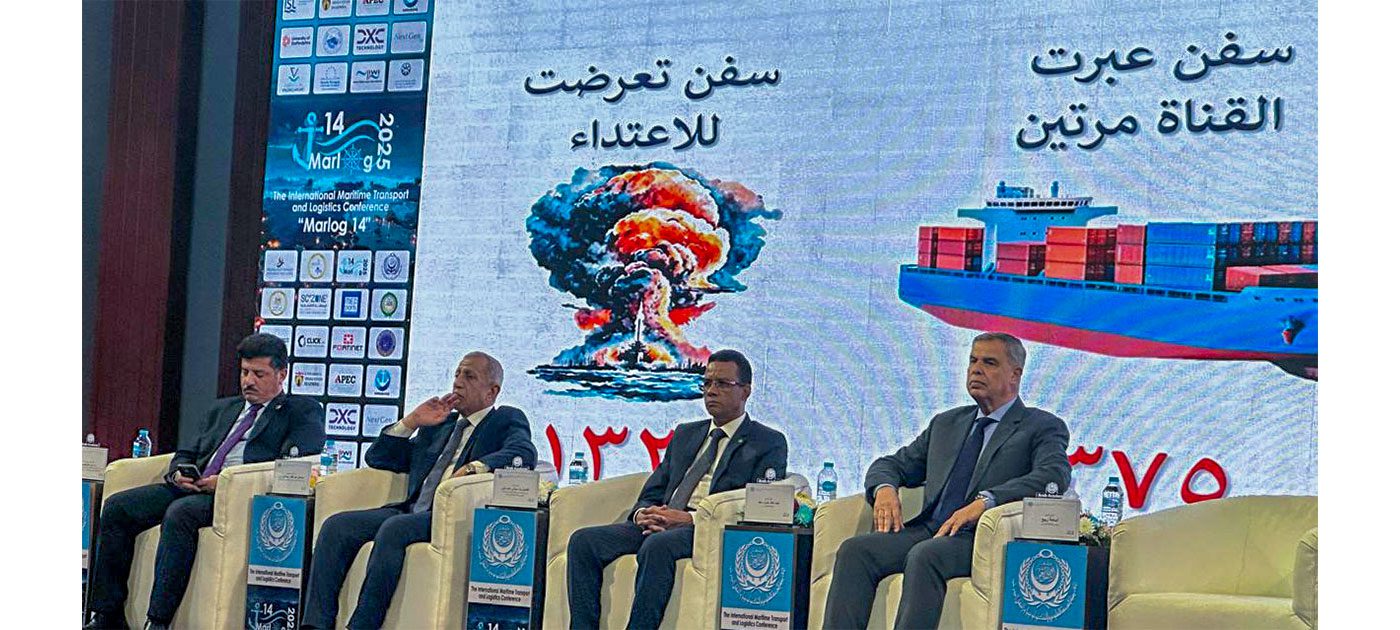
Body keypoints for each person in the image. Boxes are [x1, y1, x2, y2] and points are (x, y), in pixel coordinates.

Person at [824, 332, 1071, 629]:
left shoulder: (1041, 426)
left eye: (989, 363)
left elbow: (1053, 475)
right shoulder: (947, 423)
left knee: (925, 555)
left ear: (1015, 375)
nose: (976, 369)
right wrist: (885, 489)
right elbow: (891, 464)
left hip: (979, 538)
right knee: (855, 551)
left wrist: (986, 501)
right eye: (973, 361)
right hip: (930, 529)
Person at [85, 333, 325, 630]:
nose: (248, 381)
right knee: (118, 507)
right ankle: (107, 615)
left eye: (259, 374)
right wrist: (179, 473)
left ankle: (158, 620)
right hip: (194, 487)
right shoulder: (222, 409)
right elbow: (186, 452)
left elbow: (295, 464)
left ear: (282, 374)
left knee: (180, 513)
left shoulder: (300, 411)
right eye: (244, 372)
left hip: (236, 495)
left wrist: (223, 482)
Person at [301, 351, 537, 630]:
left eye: (469, 376)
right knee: (337, 526)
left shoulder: (504, 419)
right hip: (411, 509)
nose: (458, 382)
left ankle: (362, 625)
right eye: (457, 374)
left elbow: (523, 453)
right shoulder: (439, 426)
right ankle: (315, 625)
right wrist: (411, 421)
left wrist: (473, 469)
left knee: (395, 529)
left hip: (451, 518)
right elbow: (379, 458)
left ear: (492, 391)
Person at [566, 349, 789, 630]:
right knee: (583, 541)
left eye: (722, 384)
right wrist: (643, 514)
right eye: (707, 383)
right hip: (662, 520)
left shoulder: (767, 441)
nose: (711, 391)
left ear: (745, 391)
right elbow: (655, 488)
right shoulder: (686, 433)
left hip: (705, 529)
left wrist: (689, 519)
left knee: (657, 546)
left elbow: (757, 505)